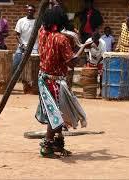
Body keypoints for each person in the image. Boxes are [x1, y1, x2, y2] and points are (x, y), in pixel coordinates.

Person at [36, 7, 92, 158]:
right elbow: (71, 63)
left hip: (43, 78)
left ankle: (58, 144)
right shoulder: (61, 39)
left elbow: (44, 23)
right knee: (55, 114)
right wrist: (84, 47)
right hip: (54, 82)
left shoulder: (42, 33)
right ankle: (47, 147)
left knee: (58, 112)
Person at [12, 5, 37, 74]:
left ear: (34, 12)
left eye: (31, 10)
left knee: (33, 67)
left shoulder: (37, 22)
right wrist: (22, 45)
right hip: (22, 47)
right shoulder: (21, 21)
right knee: (15, 65)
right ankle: (10, 81)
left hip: (34, 48)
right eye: (28, 10)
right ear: (26, 11)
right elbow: (17, 35)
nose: (29, 11)